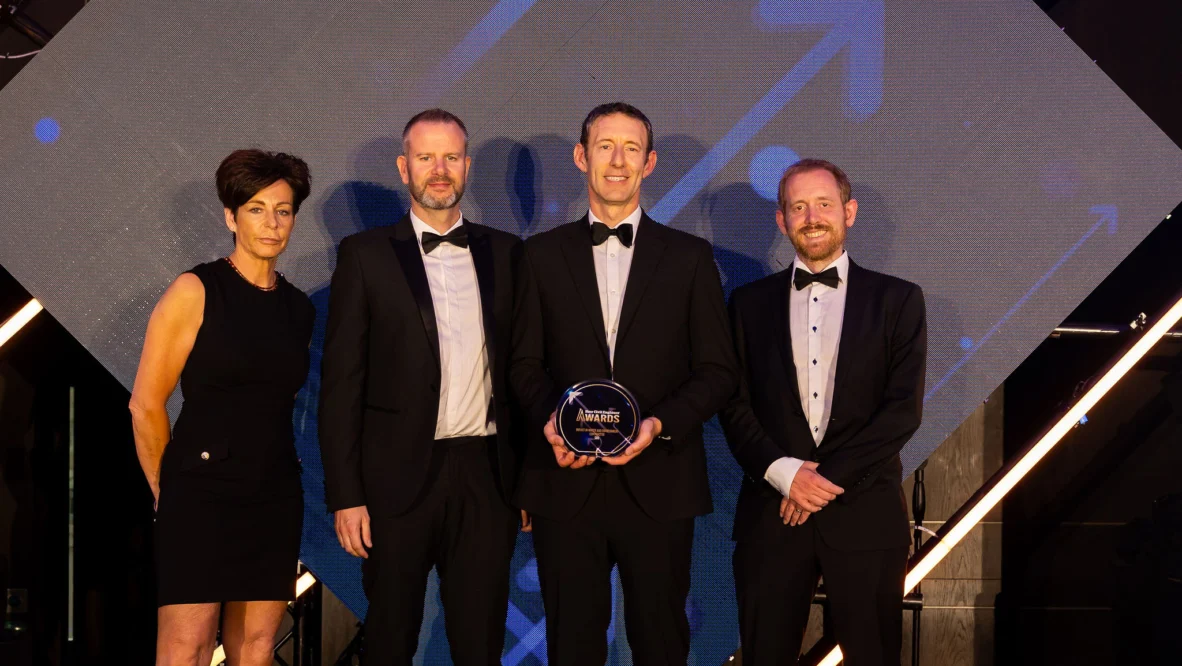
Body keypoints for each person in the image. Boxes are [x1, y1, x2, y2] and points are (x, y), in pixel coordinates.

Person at [510, 102, 738, 665]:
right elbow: (522, 364)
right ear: (581, 157)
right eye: (605, 146)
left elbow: (717, 372)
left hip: (659, 481)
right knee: (572, 645)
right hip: (566, 483)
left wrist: (657, 425)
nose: (618, 160)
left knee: (661, 642)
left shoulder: (689, 258)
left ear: (651, 162)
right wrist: (553, 425)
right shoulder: (538, 256)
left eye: (631, 148)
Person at [318, 109, 525, 665]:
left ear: (467, 166)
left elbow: (525, 374)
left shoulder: (508, 254)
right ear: (403, 167)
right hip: (393, 482)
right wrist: (346, 495)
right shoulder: (364, 257)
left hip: (489, 477)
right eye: (426, 157)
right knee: (391, 637)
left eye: (451, 157)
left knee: (480, 642)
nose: (440, 170)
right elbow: (341, 387)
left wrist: (528, 478)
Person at [719, 158, 927, 666]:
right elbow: (732, 403)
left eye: (824, 204)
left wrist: (820, 482)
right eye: (798, 206)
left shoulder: (899, 300)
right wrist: (786, 474)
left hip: (865, 516)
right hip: (772, 515)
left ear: (849, 212)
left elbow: (901, 412)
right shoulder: (746, 304)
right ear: (782, 220)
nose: (811, 217)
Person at [129, 149, 315, 666]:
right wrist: (169, 494)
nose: (272, 223)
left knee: (256, 648)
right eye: (256, 209)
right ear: (230, 217)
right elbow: (145, 405)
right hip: (200, 492)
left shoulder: (298, 309)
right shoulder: (196, 290)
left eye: (282, 210)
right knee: (187, 646)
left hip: (274, 492)